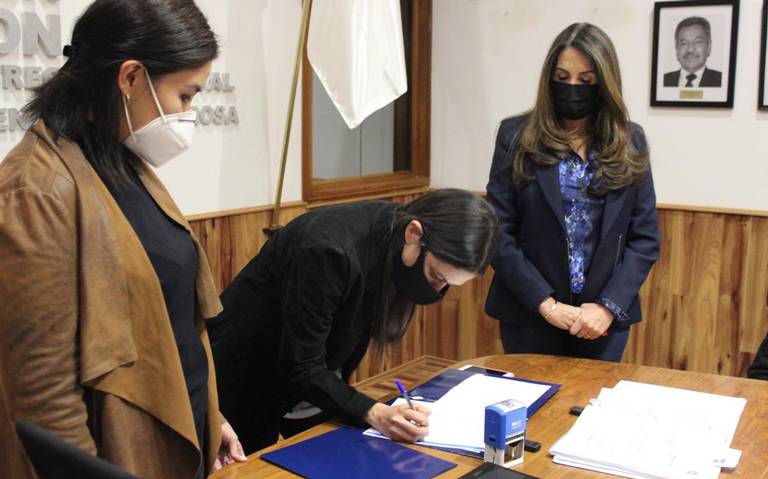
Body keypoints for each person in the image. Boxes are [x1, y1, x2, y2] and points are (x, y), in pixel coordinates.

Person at [0, 1, 246, 477]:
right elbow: (42, 395)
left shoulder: (119, 159)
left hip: (178, 435)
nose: (188, 113)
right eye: (185, 95)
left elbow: (170, 319)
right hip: (119, 455)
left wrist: (209, 416)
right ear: (131, 77)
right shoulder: (35, 191)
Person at [207, 189, 498, 453]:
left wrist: (364, 408)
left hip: (308, 374)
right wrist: (374, 412)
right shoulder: (328, 250)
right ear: (414, 233)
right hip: (244, 369)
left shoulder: (392, 234)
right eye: (436, 276)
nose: (436, 290)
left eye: (448, 285)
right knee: (248, 463)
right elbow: (301, 365)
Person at [485, 23, 660, 362]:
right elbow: (498, 232)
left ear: (604, 82)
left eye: (586, 80)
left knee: (594, 397)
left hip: (601, 323)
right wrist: (545, 304)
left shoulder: (630, 141)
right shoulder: (515, 136)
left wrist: (607, 307)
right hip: (530, 314)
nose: (572, 88)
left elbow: (645, 239)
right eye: (562, 77)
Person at [663, 16, 722, 88]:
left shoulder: (721, 81)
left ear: (709, 47)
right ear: (677, 49)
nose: (690, 49)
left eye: (697, 42)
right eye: (684, 43)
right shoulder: (663, 81)